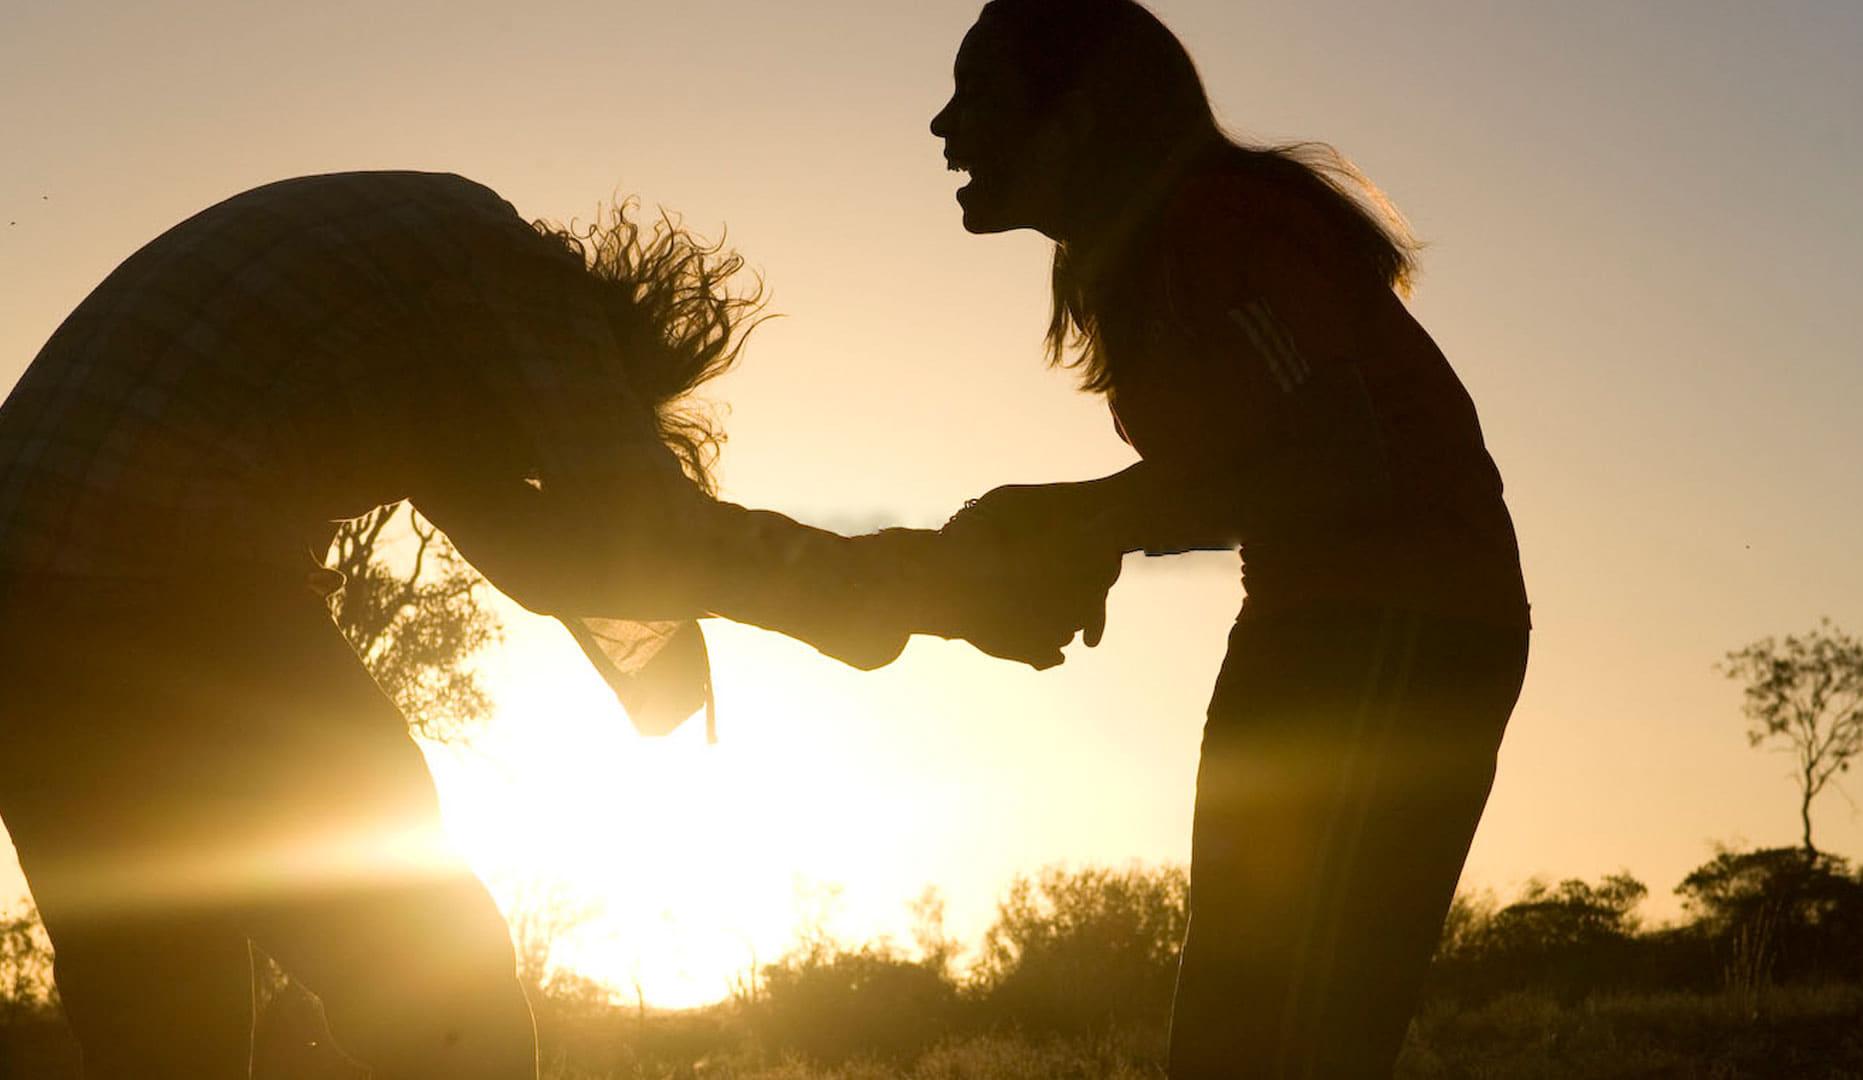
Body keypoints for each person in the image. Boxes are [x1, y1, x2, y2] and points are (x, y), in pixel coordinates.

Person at [0, 170, 1117, 1079]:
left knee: (166, 1031)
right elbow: (644, 532)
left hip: (27, 626)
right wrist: (933, 586)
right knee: (437, 984)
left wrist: (892, 605)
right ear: (604, 373)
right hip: (164, 581)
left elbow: (549, 560)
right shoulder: (514, 278)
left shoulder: (411, 313)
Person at [930, 1, 1531, 1074]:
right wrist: (1098, 530)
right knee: (1239, 1035)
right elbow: (1262, 470)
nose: (944, 125)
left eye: (979, 93)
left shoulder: (1215, 223)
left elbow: (1339, 463)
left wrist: (1093, 519)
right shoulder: (1141, 259)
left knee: (1286, 1039)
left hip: (1403, 622)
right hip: (1318, 620)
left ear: (1079, 117)